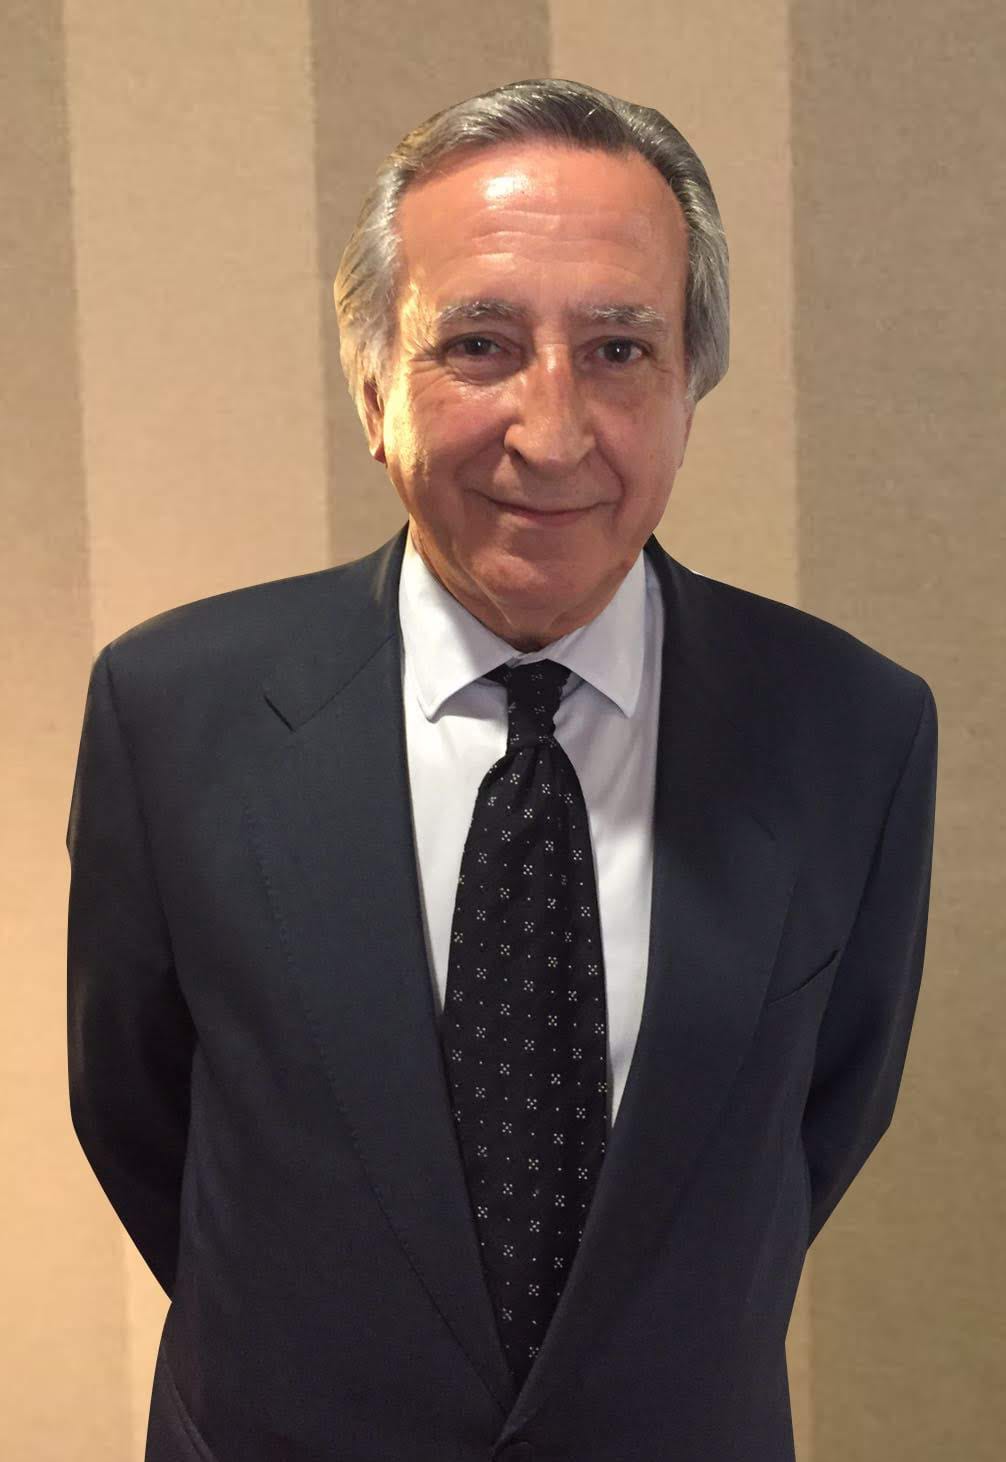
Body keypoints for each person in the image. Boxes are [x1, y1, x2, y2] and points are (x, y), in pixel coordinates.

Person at [66, 78, 938, 1462]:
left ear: (689, 386)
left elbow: (820, 1125)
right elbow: (137, 1111)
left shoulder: (854, 729)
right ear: (373, 388)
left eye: (618, 349)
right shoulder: (170, 711)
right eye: (478, 344)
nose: (553, 429)